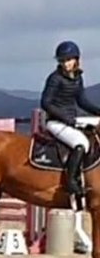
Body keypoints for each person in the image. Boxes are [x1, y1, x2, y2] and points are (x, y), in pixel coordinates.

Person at [40, 40, 100, 199]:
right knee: (81, 144)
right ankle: (71, 182)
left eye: (68, 60)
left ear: (76, 60)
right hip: (56, 122)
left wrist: (98, 111)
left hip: (71, 121)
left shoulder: (78, 78)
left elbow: (82, 101)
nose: (65, 64)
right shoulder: (55, 78)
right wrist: (66, 118)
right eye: (62, 60)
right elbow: (45, 102)